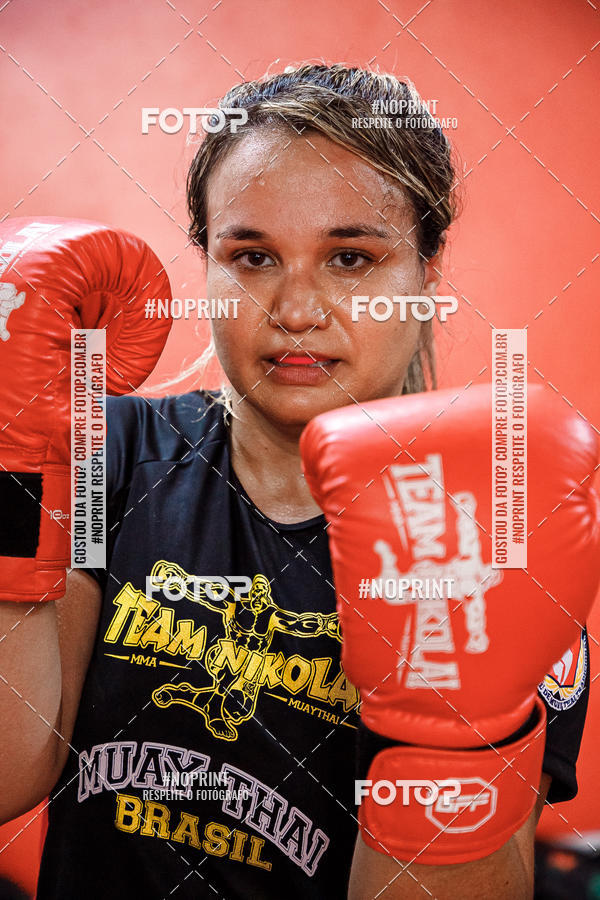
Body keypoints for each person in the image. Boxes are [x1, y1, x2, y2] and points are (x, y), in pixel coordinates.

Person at [0, 64, 595, 900]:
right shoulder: (111, 454)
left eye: (351, 258)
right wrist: (13, 470)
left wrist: (456, 745)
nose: (297, 309)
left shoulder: (480, 530)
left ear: (426, 273)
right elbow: (8, 772)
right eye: (253, 256)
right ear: (206, 262)